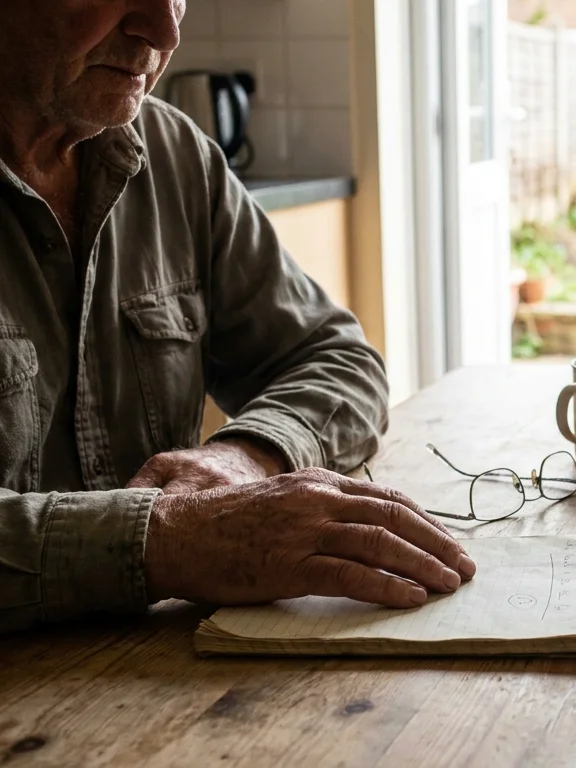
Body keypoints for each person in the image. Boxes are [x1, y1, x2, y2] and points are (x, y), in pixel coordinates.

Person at [0, 0, 477, 635]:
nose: (164, 31)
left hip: (159, 675)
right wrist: (165, 544)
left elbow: (337, 358)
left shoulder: (174, 155)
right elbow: (174, 541)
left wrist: (247, 455)